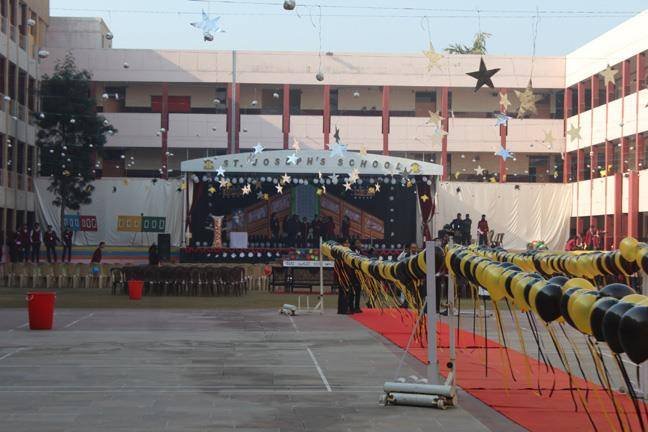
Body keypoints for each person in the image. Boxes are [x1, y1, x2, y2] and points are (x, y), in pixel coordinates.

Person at [350, 239, 364, 313]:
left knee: (358, 291)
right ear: (354, 244)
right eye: (357, 243)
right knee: (352, 292)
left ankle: (357, 307)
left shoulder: (360, 252)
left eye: (360, 243)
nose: (359, 244)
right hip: (352, 274)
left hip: (359, 275)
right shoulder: (351, 251)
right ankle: (351, 307)